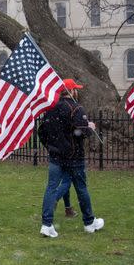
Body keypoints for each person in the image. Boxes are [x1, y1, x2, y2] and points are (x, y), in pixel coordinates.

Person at [39, 78, 104, 238]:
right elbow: (81, 132)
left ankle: (46, 225)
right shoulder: (76, 108)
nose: (77, 91)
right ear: (71, 91)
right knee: (81, 188)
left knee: (51, 188)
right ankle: (89, 223)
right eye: (75, 89)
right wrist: (90, 127)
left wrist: (51, 147)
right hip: (74, 157)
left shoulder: (51, 109)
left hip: (56, 156)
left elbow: (42, 132)